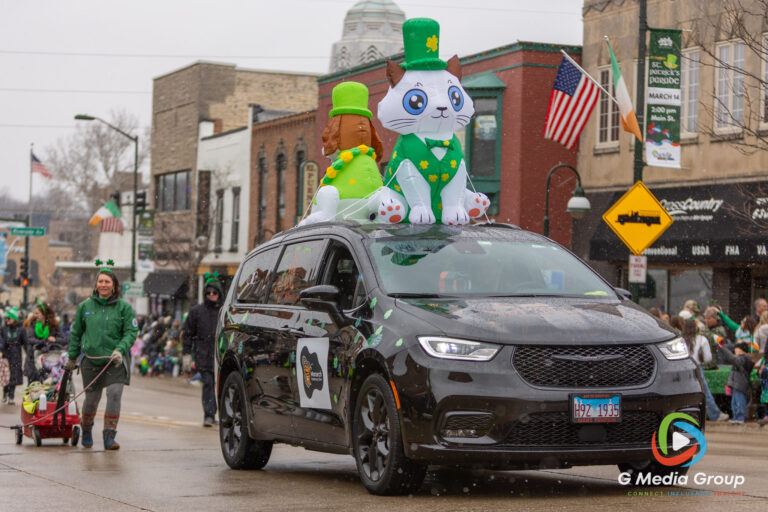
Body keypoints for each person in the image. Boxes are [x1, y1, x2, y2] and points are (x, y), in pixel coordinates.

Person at [64, 265, 138, 449]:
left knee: (114, 394)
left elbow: (131, 331)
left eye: (107, 282)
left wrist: (121, 349)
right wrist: (72, 357)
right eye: (100, 281)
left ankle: (109, 436)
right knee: (91, 400)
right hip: (92, 361)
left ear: (114, 286)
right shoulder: (85, 307)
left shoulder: (124, 308)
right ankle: (86, 428)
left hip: (115, 361)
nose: (103, 285)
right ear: (96, 285)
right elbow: (76, 334)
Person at [182, 272, 223, 426]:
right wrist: (186, 355)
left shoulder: (223, 311)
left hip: (219, 355)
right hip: (203, 354)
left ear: (219, 293)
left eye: (214, 292)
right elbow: (187, 334)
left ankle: (220, 414)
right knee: (208, 384)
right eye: (208, 292)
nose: (211, 295)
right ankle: (209, 415)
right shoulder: (196, 311)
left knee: (220, 386)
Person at [681, 318, 729, 421]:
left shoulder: (680, 340)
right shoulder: (702, 339)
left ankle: (684, 414)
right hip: (697, 368)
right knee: (704, 393)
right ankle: (715, 415)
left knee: (684, 392)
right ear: (696, 328)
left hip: (683, 369)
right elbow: (708, 358)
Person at [23, 301, 68, 383]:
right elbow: (29, 339)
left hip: (49, 360)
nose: (35, 315)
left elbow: (65, 339)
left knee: (48, 389)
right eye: (35, 313)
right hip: (33, 360)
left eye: (37, 313)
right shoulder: (33, 325)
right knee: (33, 388)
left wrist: (55, 339)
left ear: (44, 314)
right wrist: (44, 341)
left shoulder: (53, 326)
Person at [717, 341, 755, 424]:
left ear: (741, 350)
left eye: (736, 349)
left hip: (740, 385)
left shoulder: (743, 358)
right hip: (736, 385)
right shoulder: (740, 359)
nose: (735, 351)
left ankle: (741, 417)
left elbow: (733, 359)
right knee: (734, 402)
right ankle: (737, 416)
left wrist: (722, 348)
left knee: (739, 401)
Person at [0, 308, 27, 405]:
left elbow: (25, 343)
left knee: (14, 376)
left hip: (16, 356)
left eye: (9, 318)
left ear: (14, 319)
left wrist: (29, 353)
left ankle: (11, 396)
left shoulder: (21, 329)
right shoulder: (3, 329)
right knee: (6, 375)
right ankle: (4, 393)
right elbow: (1, 340)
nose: (7, 320)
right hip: (6, 356)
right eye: (6, 318)